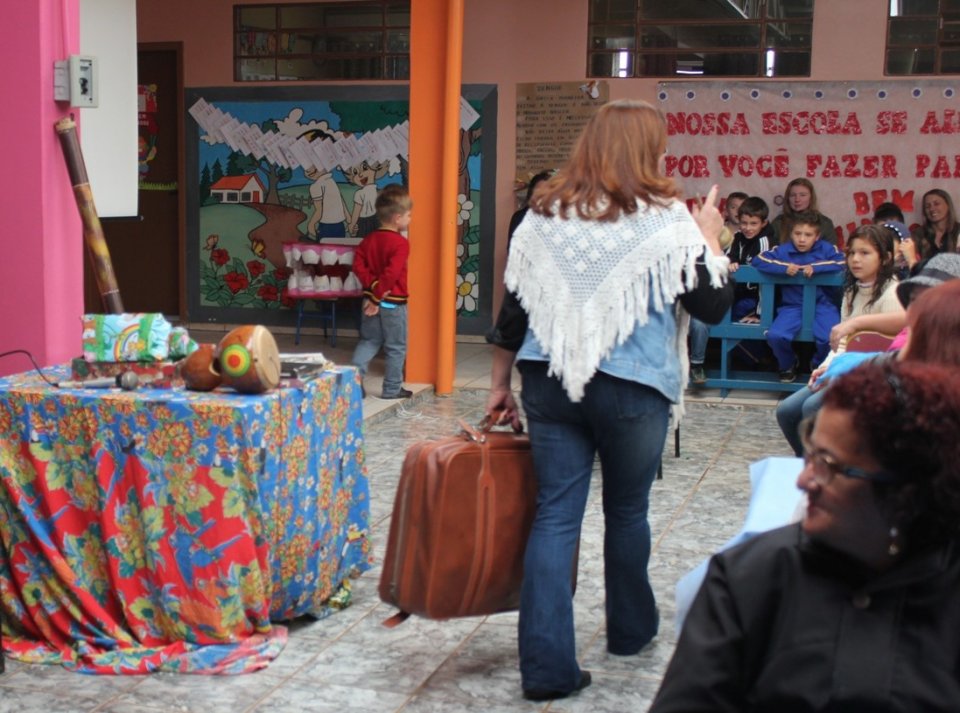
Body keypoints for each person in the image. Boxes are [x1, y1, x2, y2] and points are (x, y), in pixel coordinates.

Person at [484, 99, 733, 702]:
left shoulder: (545, 214)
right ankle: (629, 630)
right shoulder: (668, 217)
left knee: (556, 514)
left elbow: (514, 308)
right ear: (650, 152)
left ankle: (545, 667)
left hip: (549, 378)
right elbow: (710, 309)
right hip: (632, 383)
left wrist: (497, 385)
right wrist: (708, 240)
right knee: (626, 511)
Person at [651, 360, 960, 711]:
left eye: (827, 464)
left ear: (905, 488)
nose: (803, 480)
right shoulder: (749, 577)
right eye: (809, 455)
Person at [775, 224, 904, 455]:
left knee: (813, 407)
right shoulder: (851, 292)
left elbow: (891, 349)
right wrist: (826, 369)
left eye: (865, 253)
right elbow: (843, 343)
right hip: (844, 369)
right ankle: (805, 462)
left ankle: (824, 471)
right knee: (787, 411)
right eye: (852, 253)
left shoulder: (893, 293)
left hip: (874, 376)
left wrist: (841, 374)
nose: (855, 259)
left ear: (885, 258)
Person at [754, 211, 846, 382]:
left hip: (822, 304)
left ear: (817, 236)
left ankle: (818, 364)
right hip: (792, 306)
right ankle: (788, 364)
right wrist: (783, 268)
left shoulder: (827, 249)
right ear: (791, 234)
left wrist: (817, 267)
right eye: (797, 234)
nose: (802, 239)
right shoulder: (783, 250)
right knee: (776, 335)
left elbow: (842, 262)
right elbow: (758, 260)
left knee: (830, 338)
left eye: (808, 235)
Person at [351, 184, 413, 399]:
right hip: (392, 302)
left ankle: (354, 384)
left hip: (369, 300)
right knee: (396, 347)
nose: (409, 219)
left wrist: (372, 289)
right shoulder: (401, 243)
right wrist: (378, 296)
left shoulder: (368, 240)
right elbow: (392, 274)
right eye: (408, 215)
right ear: (397, 218)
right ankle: (392, 389)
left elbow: (358, 266)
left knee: (368, 341)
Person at [769, 177, 837, 245]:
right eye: (793, 195)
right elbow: (769, 251)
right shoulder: (778, 222)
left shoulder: (824, 223)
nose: (797, 199)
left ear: (811, 198)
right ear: (787, 198)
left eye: (802, 195)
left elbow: (831, 252)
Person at [905, 188, 960, 268]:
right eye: (927, 206)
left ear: (948, 205)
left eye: (936, 204)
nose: (932, 209)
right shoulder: (917, 235)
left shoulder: (958, 231)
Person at [508, 170, 552, 239]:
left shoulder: (558, 218)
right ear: (531, 192)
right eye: (539, 190)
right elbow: (512, 247)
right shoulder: (520, 217)